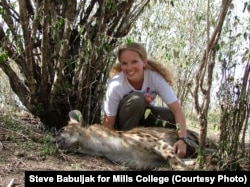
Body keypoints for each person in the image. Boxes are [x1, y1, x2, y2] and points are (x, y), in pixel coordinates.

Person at [102, 42, 187, 158]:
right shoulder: (116, 85)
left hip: (143, 120)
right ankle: (127, 146)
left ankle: (161, 144)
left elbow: (177, 110)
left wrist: (182, 139)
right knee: (138, 100)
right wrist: (107, 144)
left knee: (171, 116)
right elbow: (108, 122)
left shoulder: (155, 79)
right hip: (122, 125)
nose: (129, 67)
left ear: (144, 62)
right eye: (124, 63)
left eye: (134, 62)